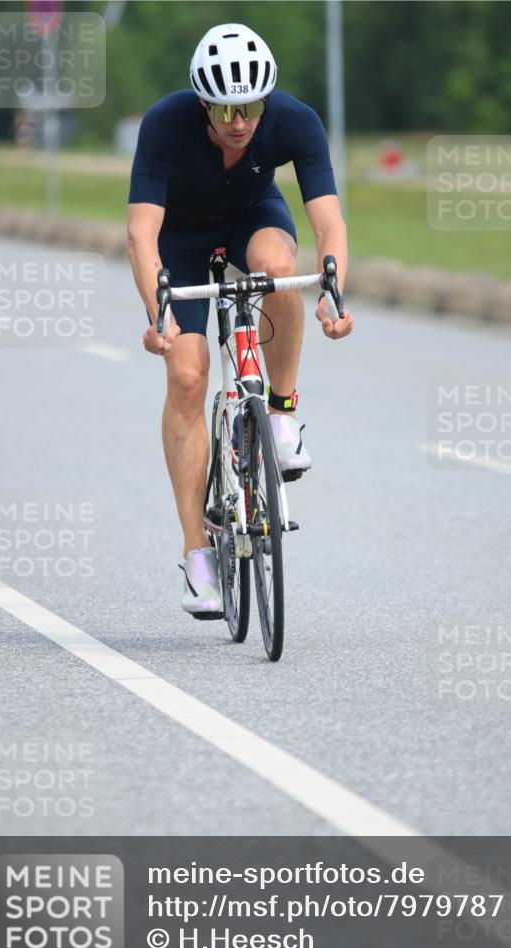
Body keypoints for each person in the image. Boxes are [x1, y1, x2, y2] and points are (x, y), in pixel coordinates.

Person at [127, 23, 354, 617]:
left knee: (278, 268)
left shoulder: (295, 120)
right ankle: (197, 553)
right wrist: (159, 314)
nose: (239, 121)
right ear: (203, 102)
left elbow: (329, 223)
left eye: (250, 107)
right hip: (179, 238)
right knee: (187, 375)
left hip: (253, 216)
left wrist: (332, 292)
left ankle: (280, 413)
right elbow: (141, 233)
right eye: (226, 109)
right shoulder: (165, 123)